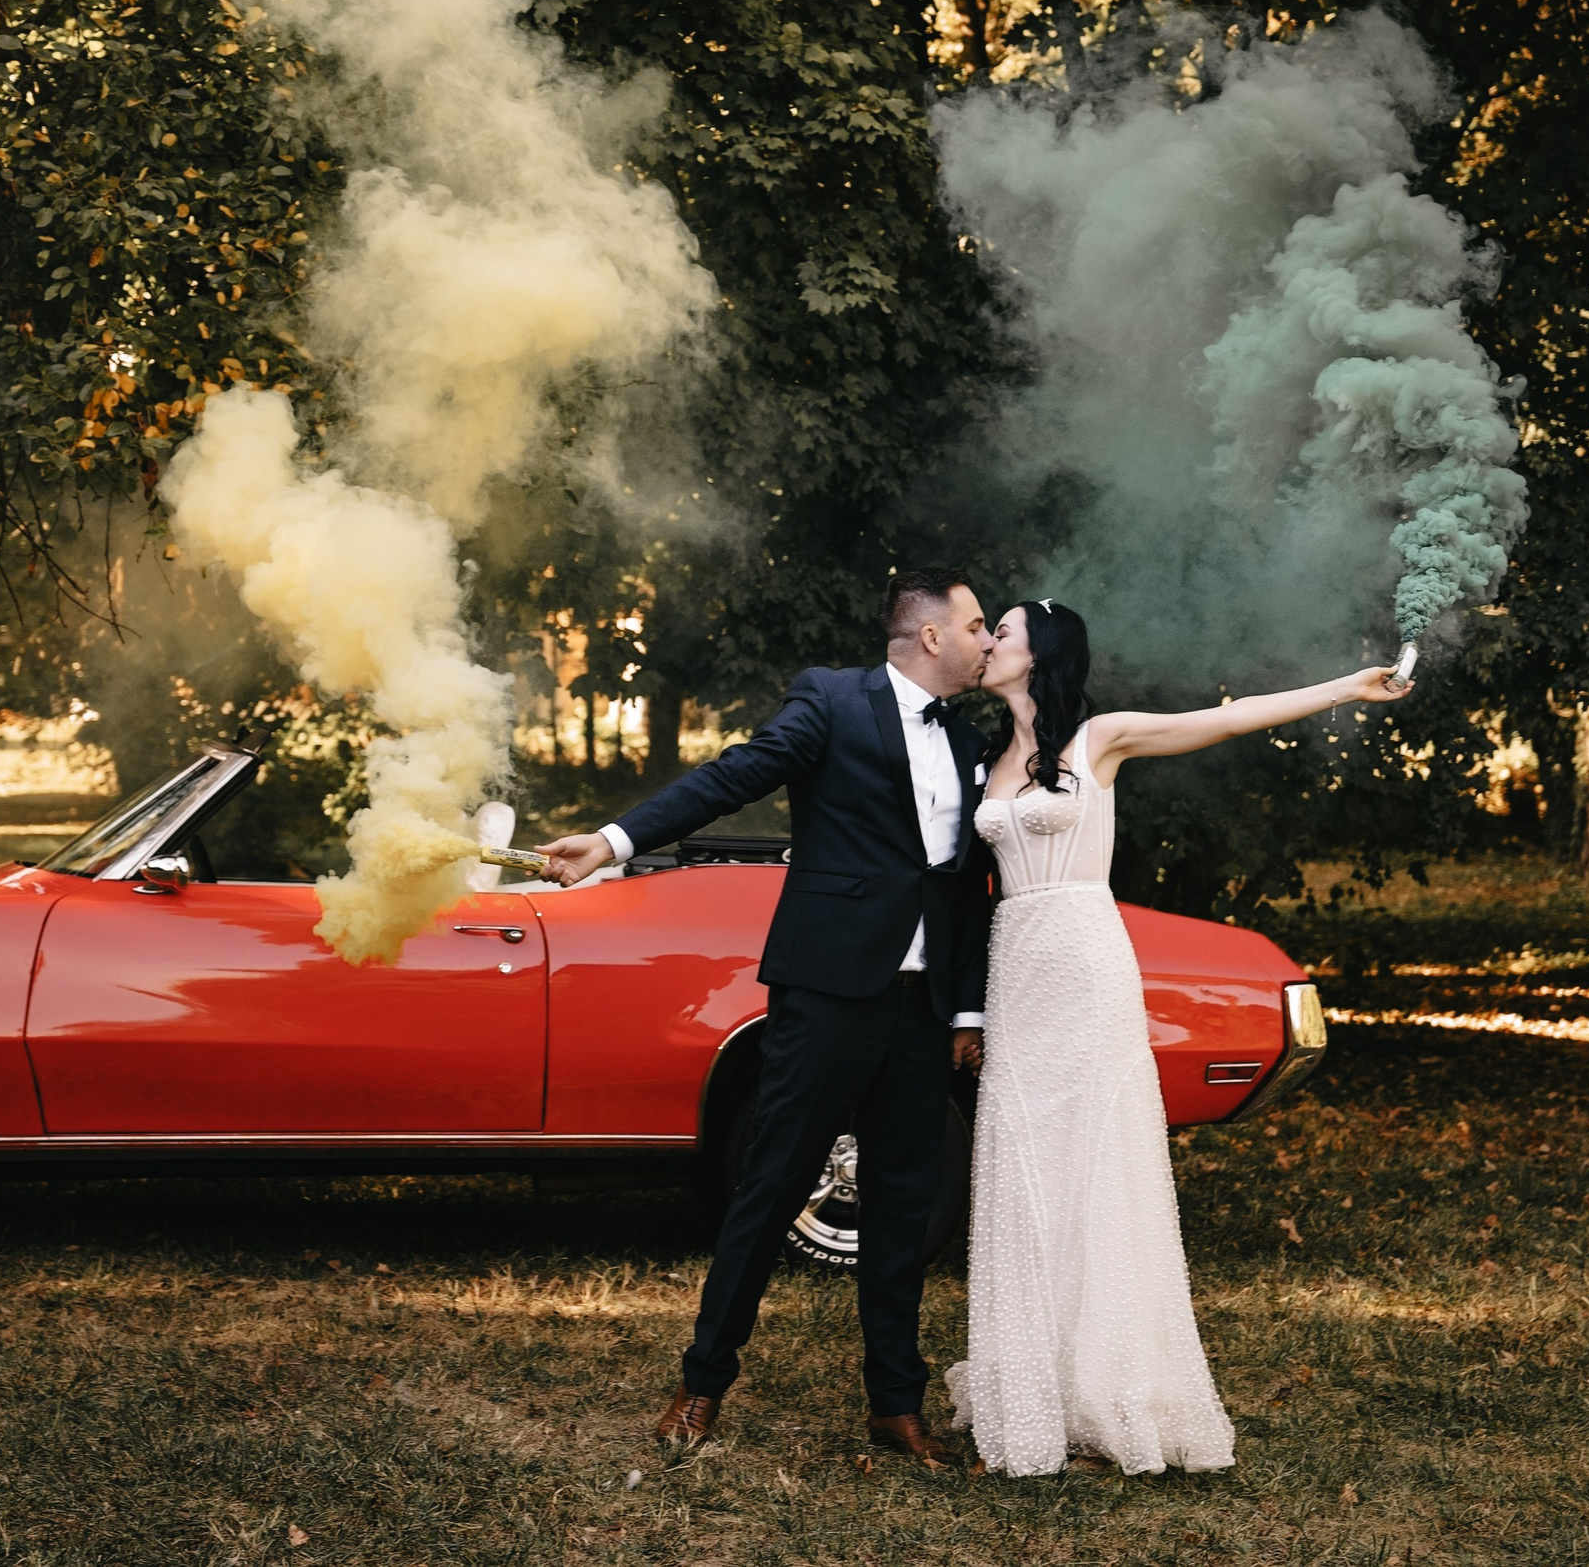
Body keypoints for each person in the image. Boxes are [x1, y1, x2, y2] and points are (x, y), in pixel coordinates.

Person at [536, 567, 996, 1466]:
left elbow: (967, 886)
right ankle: (702, 1383)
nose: (988, 639)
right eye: (978, 624)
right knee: (772, 1187)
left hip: (922, 1011)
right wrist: (615, 841)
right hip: (827, 996)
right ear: (931, 635)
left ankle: (894, 1404)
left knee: (902, 1207)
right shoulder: (831, 701)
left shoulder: (975, 741)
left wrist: (966, 1007)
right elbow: (732, 775)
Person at [950, 598, 1412, 1476]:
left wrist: (1345, 688)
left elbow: (1224, 720)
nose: (988, 641)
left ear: (1038, 649)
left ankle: (1107, 1395)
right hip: (1018, 967)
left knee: (1094, 1167)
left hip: (1085, 962)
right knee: (1023, 1167)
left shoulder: (1101, 740)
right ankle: (1031, 1393)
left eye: (1001, 629)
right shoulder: (985, 756)